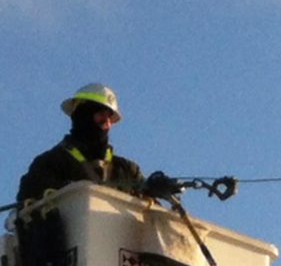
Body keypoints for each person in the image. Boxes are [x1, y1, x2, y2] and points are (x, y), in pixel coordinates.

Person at [18, 83, 178, 208]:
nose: (106, 124)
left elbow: (151, 208)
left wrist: (157, 188)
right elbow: (30, 208)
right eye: (101, 115)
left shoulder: (127, 170)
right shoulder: (50, 163)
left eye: (110, 119)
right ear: (83, 116)